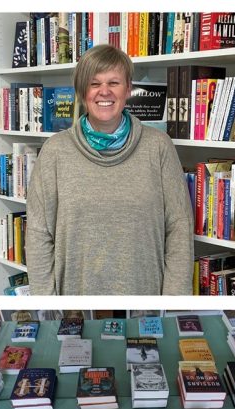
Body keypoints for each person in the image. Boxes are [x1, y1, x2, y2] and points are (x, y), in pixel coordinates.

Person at [26, 44, 193, 295]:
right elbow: (39, 234)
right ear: (82, 92)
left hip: (145, 305)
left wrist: (174, 303)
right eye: (94, 84)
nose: (104, 92)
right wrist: (47, 306)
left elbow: (179, 228)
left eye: (114, 82)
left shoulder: (159, 147)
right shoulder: (55, 151)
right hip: (74, 308)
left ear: (128, 89)